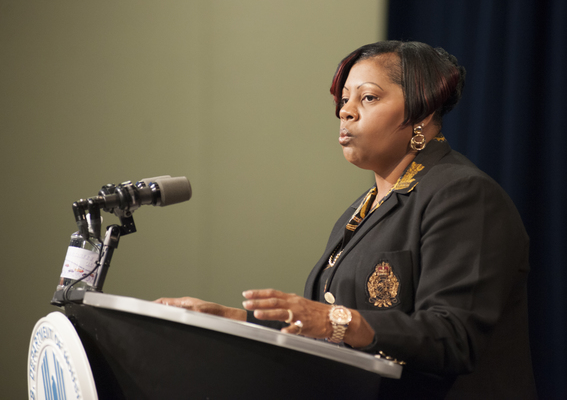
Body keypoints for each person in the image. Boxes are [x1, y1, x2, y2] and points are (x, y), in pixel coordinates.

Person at [156, 40, 537, 399]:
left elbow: (451, 337)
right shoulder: (359, 211)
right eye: (344, 99)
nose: (345, 111)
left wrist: (335, 321)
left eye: (368, 97)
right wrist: (230, 320)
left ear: (422, 111)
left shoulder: (463, 194)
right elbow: (324, 334)